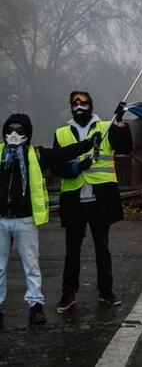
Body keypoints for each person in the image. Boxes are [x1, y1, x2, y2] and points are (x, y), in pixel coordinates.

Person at [0, 113, 98, 325]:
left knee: (31, 265)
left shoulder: (36, 155)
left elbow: (63, 154)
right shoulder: (0, 153)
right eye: (10, 130)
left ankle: (35, 306)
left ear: (28, 133)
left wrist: (88, 144)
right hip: (1, 220)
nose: (14, 135)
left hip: (25, 220)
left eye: (19, 131)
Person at [52, 92, 132, 313]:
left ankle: (106, 292)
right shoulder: (61, 133)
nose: (79, 106)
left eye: (83, 102)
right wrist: (77, 167)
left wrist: (120, 123)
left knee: (102, 248)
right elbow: (56, 166)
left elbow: (125, 147)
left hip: (100, 198)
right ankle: (68, 294)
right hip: (74, 199)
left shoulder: (106, 127)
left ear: (91, 105)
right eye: (75, 103)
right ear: (70, 107)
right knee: (72, 251)